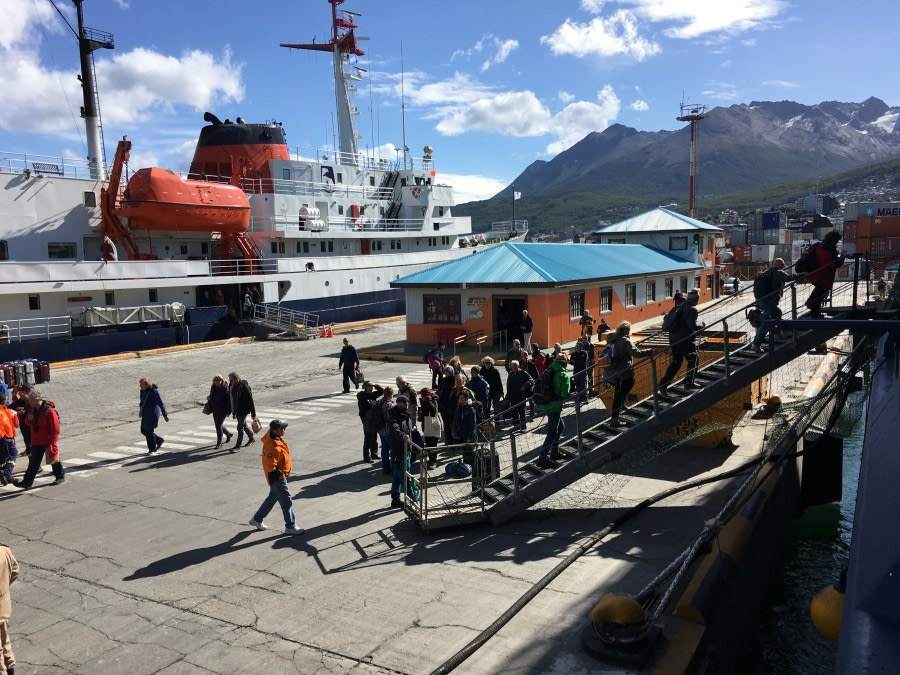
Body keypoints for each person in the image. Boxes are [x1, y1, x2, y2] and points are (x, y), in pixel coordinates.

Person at [248, 420, 304, 535]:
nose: (285, 429)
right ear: (275, 430)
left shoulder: (278, 439)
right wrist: (281, 475)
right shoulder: (271, 445)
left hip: (279, 476)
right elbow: (270, 466)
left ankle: (257, 519)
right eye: (282, 428)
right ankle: (290, 526)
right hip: (277, 478)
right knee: (286, 501)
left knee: (272, 498)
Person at [13, 389, 65, 489]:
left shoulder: (49, 411)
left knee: (54, 459)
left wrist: (53, 440)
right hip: (36, 440)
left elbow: (55, 427)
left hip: (48, 439)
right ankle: (27, 482)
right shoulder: (32, 409)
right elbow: (28, 422)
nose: (29, 402)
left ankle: (60, 476)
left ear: (37, 399)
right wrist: (30, 419)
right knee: (33, 462)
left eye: (31, 400)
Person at [605, 322, 653, 426]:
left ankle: (621, 405)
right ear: (624, 330)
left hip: (612, 372)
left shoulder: (612, 340)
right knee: (621, 391)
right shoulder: (625, 341)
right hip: (623, 372)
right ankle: (614, 419)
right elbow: (636, 353)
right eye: (628, 329)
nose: (630, 331)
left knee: (623, 388)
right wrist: (650, 351)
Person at [657, 289, 705, 395]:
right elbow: (691, 325)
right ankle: (689, 382)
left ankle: (663, 384)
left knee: (676, 362)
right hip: (685, 340)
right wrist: (701, 326)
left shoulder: (679, 306)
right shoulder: (692, 309)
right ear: (697, 299)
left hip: (673, 339)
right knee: (694, 359)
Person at [751, 258, 799, 353]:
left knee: (777, 313)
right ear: (779, 265)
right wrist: (800, 275)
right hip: (768, 301)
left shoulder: (766, 273)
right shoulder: (778, 272)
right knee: (767, 321)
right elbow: (789, 278)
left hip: (761, 300)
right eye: (782, 265)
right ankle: (756, 344)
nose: (783, 267)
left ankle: (778, 333)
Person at [536, 354, 572, 468]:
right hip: (554, 406)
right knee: (552, 432)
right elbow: (566, 395)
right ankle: (542, 457)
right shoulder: (563, 374)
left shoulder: (549, 370)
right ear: (564, 363)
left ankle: (554, 451)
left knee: (560, 426)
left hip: (545, 404)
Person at [804, 230, 845, 318]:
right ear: (834, 240)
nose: (837, 242)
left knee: (819, 291)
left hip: (814, 273)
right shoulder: (831, 249)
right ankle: (814, 310)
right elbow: (836, 264)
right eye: (837, 241)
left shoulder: (820, 245)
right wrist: (843, 256)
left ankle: (811, 305)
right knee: (821, 293)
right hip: (824, 275)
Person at [388, 395, 420, 508]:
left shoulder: (406, 415)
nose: (407, 407)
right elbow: (395, 428)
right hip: (399, 451)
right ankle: (413, 498)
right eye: (405, 404)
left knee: (397, 475)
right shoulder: (394, 416)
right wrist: (403, 435)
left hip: (407, 450)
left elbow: (407, 427)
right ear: (399, 404)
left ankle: (395, 498)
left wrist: (411, 430)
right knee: (405, 476)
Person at [0, 544, 19, 675]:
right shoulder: (4, 550)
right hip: (4, 607)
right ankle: (10, 668)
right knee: (5, 640)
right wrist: (5, 590)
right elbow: (15, 571)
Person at [138, 377, 169, 454]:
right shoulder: (142, 391)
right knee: (143, 430)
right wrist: (141, 405)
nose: (140, 386)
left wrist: (165, 415)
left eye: (142, 384)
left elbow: (161, 403)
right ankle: (158, 440)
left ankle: (152, 450)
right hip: (145, 413)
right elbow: (142, 400)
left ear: (147, 385)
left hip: (152, 413)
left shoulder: (154, 392)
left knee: (149, 431)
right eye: (140, 384)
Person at [229, 372, 257, 449]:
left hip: (244, 410)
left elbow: (250, 401)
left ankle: (238, 446)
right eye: (230, 380)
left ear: (237, 379)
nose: (230, 382)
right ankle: (251, 438)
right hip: (237, 410)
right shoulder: (232, 386)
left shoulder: (244, 387)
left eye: (231, 380)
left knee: (239, 427)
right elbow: (233, 400)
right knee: (243, 425)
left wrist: (253, 414)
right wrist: (234, 412)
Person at [357, 381, 384, 463]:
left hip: (374, 419)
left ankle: (374, 453)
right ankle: (366, 456)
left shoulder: (372, 394)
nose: (372, 389)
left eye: (372, 388)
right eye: (370, 387)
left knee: (374, 437)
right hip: (366, 420)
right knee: (368, 438)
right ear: (365, 388)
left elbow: (381, 391)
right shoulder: (362, 396)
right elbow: (369, 404)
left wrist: (375, 385)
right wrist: (374, 404)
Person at [418, 387, 442, 469]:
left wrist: (429, 399)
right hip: (426, 423)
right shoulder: (423, 401)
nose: (422, 397)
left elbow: (433, 410)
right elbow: (422, 411)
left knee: (433, 443)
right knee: (428, 443)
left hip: (433, 424)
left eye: (423, 395)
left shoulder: (432, 400)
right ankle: (430, 459)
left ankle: (433, 461)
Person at [506, 360, 533, 431]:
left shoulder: (523, 373)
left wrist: (525, 385)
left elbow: (531, 380)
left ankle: (523, 426)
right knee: (514, 412)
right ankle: (516, 425)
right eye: (512, 367)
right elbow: (508, 386)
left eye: (515, 366)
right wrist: (508, 396)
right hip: (512, 396)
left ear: (518, 366)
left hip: (521, 396)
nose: (514, 368)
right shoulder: (511, 374)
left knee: (521, 411)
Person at [208, 374, 233, 449]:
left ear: (222, 380)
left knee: (218, 426)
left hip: (223, 410)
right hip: (215, 409)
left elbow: (228, 401)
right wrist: (209, 398)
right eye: (216, 381)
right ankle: (228, 434)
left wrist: (229, 411)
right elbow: (212, 396)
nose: (217, 382)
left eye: (219, 380)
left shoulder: (226, 388)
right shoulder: (213, 387)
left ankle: (219, 443)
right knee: (219, 425)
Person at [376, 386, 395, 475]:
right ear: (391, 394)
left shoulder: (379, 402)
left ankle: (385, 468)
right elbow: (391, 418)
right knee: (393, 449)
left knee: (384, 449)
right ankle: (392, 468)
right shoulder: (389, 405)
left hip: (380, 429)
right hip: (388, 430)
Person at [0, 392, 17, 486]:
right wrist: (4, 436)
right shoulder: (1, 412)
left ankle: (3, 473)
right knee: (13, 454)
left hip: (5, 438)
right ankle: (6, 473)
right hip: (5, 439)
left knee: (2, 458)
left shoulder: (3, 410)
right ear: (3, 401)